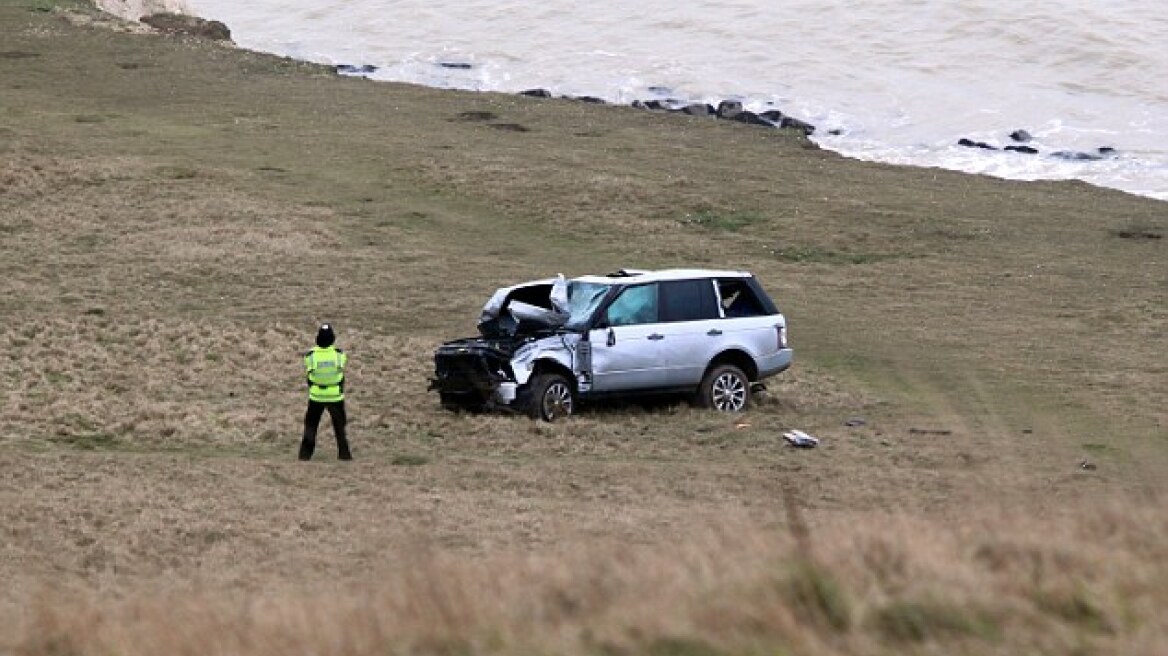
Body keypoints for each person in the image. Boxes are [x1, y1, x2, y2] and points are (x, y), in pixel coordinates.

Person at [299, 323, 352, 461]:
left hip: (316, 396)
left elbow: (309, 374)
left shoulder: (310, 356)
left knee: (311, 426)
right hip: (335, 396)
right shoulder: (339, 355)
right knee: (340, 428)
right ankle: (344, 454)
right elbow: (341, 369)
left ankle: (305, 455)